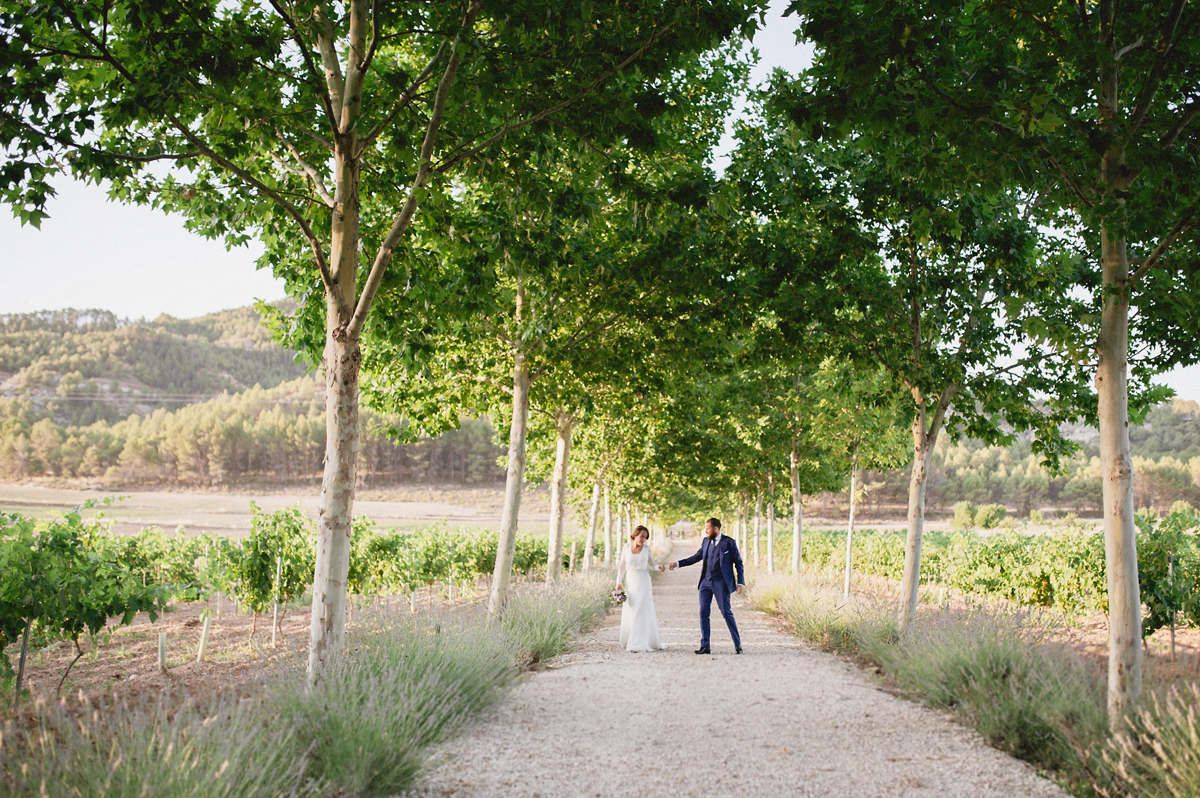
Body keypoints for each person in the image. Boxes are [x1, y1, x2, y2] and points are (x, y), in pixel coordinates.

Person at [669, 517, 744, 654]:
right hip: (705, 582)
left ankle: (737, 644)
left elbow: (738, 563)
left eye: (708, 529)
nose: (705, 531)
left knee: (726, 613)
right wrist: (678, 564)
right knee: (703, 613)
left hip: (721, 583)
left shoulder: (729, 543)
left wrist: (740, 582)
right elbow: (696, 557)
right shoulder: (705, 541)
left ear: (716, 529)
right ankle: (705, 646)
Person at [615, 524, 665, 652]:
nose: (643, 540)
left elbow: (652, 564)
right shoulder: (626, 547)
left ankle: (638, 642)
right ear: (635, 535)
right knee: (631, 610)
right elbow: (622, 566)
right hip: (630, 582)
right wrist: (618, 582)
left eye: (645, 538)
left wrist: (658, 567)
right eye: (641, 536)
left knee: (641, 611)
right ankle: (630, 638)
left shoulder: (647, 549)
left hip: (643, 582)